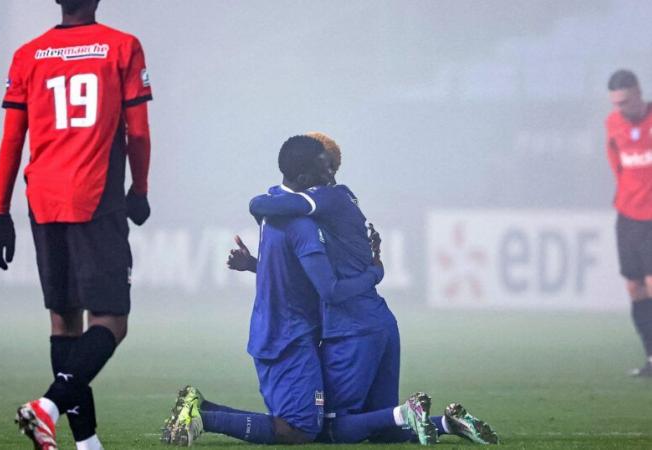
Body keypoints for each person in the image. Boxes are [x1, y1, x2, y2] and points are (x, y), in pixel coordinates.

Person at [161, 136, 434, 446]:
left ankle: (201, 408)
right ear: (305, 178)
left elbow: (287, 266)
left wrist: (255, 264)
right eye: (326, 170)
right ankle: (202, 416)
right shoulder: (304, 223)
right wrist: (376, 272)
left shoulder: (272, 205)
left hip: (281, 330)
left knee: (312, 426)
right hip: (289, 336)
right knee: (305, 429)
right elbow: (328, 289)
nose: (332, 177)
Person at [231, 132, 498, 445]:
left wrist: (375, 273)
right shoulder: (338, 203)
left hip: (350, 330)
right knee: (383, 430)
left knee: (326, 428)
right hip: (380, 323)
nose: (330, 175)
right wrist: (255, 265)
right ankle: (446, 423)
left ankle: (405, 413)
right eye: (326, 168)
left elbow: (263, 205)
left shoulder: (323, 199)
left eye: (330, 167)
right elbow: (300, 273)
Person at [0, 0, 153, 448]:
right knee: (112, 320)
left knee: (64, 322)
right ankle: (48, 406)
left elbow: (12, 139)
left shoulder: (28, 54)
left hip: (42, 199)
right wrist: (139, 190)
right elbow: (137, 132)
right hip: (94, 196)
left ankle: (86, 444)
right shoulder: (122, 47)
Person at [606, 69, 652, 377]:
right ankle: (651, 357)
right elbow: (616, 164)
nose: (620, 108)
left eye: (625, 101)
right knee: (634, 287)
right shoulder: (613, 124)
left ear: (638, 92)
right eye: (615, 103)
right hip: (627, 215)